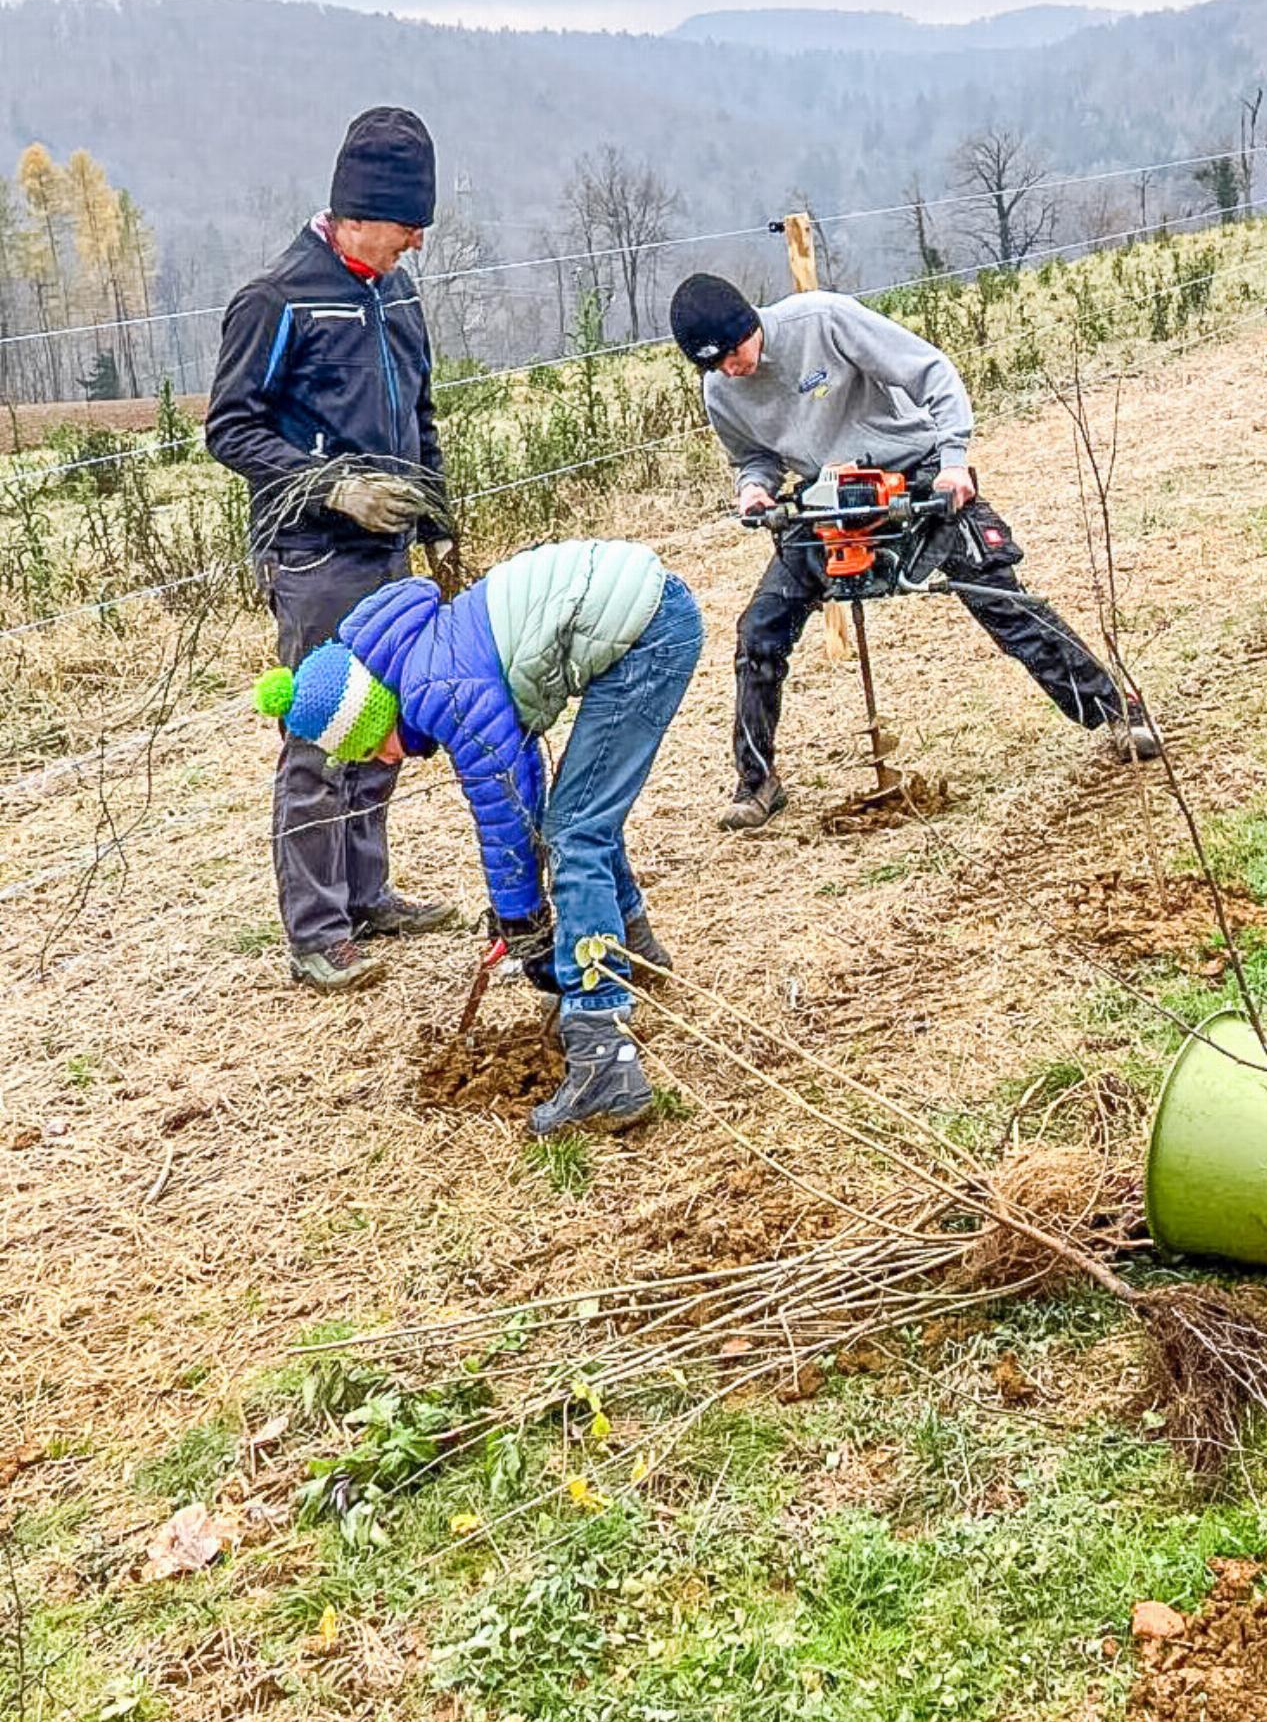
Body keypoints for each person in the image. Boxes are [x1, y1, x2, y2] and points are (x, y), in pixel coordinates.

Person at [669, 273, 1159, 830]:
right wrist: (753, 489)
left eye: (735, 351)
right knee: (759, 631)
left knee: (1000, 599)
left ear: (749, 323)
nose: (733, 369)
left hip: (913, 475)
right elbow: (753, 457)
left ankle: (1117, 712)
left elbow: (931, 372)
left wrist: (952, 460)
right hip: (826, 498)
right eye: (715, 365)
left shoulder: (824, 320)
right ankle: (757, 782)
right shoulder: (721, 389)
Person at [253, 540, 703, 1135]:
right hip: (648, 609)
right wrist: (525, 915)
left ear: (371, 714)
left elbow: (504, 808)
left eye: (369, 747)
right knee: (578, 813)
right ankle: (631, 955)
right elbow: (519, 780)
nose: (386, 760)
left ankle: (604, 1063)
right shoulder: (422, 654)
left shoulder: (435, 689)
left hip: (648, 633)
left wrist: (522, 921)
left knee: (575, 831)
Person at [209, 106, 460, 988]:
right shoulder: (277, 300)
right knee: (320, 737)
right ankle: (314, 932)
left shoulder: (396, 293)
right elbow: (228, 429)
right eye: (406, 227)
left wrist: (437, 520)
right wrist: (330, 488)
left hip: (391, 557)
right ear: (359, 212)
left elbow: (420, 410)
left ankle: (366, 896)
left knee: (384, 725)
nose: (416, 245)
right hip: (314, 559)